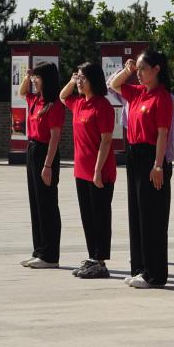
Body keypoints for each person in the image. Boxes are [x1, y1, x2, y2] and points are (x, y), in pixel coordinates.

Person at [109, 50, 174, 289]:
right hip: (134, 155)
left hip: (151, 156)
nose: (138, 73)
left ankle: (154, 273)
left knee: (152, 216)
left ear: (156, 69)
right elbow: (113, 85)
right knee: (136, 213)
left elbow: (162, 134)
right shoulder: (137, 92)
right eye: (137, 69)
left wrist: (158, 165)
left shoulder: (162, 97)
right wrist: (127, 70)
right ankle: (139, 268)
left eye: (142, 69)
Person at [60, 62, 116, 279]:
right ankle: (92, 257)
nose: (80, 81)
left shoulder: (102, 106)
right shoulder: (79, 103)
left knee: (100, 216)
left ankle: (100, 261)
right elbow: (62, 96)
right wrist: (72, 80)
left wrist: (98, 170)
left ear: (93, 80)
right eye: (78, 77)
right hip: (81, 171)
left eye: (83, 78)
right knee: (87, 216)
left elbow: (106, 140)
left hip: (99, 172)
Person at [18, 62, 65, 270]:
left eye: (37, 78)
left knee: (47, 204)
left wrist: (48, 165)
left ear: (47, 79)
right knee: (36, 203)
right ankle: (39, 250)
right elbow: (21, 93)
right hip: (33, 149)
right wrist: (26, 77)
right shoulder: (36, 99)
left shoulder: (54, 105)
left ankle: (50, 254)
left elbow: (55, 137)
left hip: (46, 153)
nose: (34, 81)